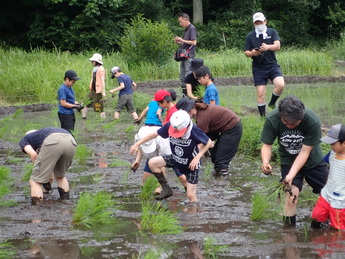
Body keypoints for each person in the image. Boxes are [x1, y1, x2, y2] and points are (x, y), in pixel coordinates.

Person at [260, 95, 329, 226]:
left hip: (312, 160)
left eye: (295, 123)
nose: (290, 125)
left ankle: (330, 223)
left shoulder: (312, 120)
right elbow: (267, 145)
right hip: (288, 160)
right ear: (281, 116)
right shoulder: (272, 119)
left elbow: (304, 152)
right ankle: (289, 233)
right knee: (290, 195)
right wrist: (265, 162)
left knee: (328, 192)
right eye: (287, 122)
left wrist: (290, 175)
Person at [130, 110, 212, 203]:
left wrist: (197, 157)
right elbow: (154, 134)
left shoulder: (194, 130)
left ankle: (193, 215)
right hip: (175, 158)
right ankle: (166, 189)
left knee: (190, 195)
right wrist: (137, 144)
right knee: (152, 163)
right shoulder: (171, 125)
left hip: (191, 163)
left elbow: (209, 142)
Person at [176, 97, 242, 176]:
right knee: (214, 156)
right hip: (218, 128)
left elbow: (199, 141)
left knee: (221, 161)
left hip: (232, 128)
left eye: (187, 112)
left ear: (192, 108)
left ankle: (223, 183)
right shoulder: (200, 111)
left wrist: (191, 157)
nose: (188, 115)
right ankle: (218, 173)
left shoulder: (202, 118)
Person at [19, 127, 77, 205]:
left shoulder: (25, 140)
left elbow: (34, 154)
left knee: (35, 181)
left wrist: (38, 172)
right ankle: (65, 201)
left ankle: (36, 207)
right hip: (71, 140)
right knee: (60, 175)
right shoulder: (42, 136)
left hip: (54, 140)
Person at [244, 12, 285, 117]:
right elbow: (246, 52)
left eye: (260, 22)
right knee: (260, 92)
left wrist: (267, 47)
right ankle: (262, 117)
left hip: (272, 65)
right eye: (256, 22)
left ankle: (272, 103)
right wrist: (253, 53)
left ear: (265, 21)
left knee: (280, 84)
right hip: (258, 67)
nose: (259, 24)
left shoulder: (272, 32)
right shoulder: (250, 36)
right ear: (254, 24)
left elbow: (277, 46)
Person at [311, 124, 345, 230]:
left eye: (333, 144)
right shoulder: (331, 154)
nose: (331, 146)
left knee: (338, 228)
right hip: (327, 193)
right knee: (317, 217)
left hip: (341, 198)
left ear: (344, 143)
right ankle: (317, 241)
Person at [130, 125, 172, 193]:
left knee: (182, 178)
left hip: (165, 154)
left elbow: (162, 164)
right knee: (145, 183)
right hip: (152, 156)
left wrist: (160, 186)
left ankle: (164, 188)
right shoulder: (140, 136)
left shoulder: (163, 140)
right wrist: (137, 161)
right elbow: (141, 147)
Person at [173, 13, 197, 93]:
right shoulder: (186, 29)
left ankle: (189, 93)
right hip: (184, 56)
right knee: (182, 76)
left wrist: (182, 40)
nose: (180, 24)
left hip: (189, 56)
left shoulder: (192, 28)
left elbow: (194, 42)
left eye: (181, 21)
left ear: (186, 19)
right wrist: (179, 42)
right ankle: (184, 93)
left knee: (187, 74)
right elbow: (186, 43)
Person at [82, 53, 106, 119]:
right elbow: (92, 79)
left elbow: (102, 81)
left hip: (98, 91)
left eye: (93, 61)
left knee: (99, 107)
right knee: (86, 104)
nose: (92, 62)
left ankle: (103, 121)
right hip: (92, 90)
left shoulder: (101, 69)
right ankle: (84, 118)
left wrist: (103, 92)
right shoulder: (95, 69)